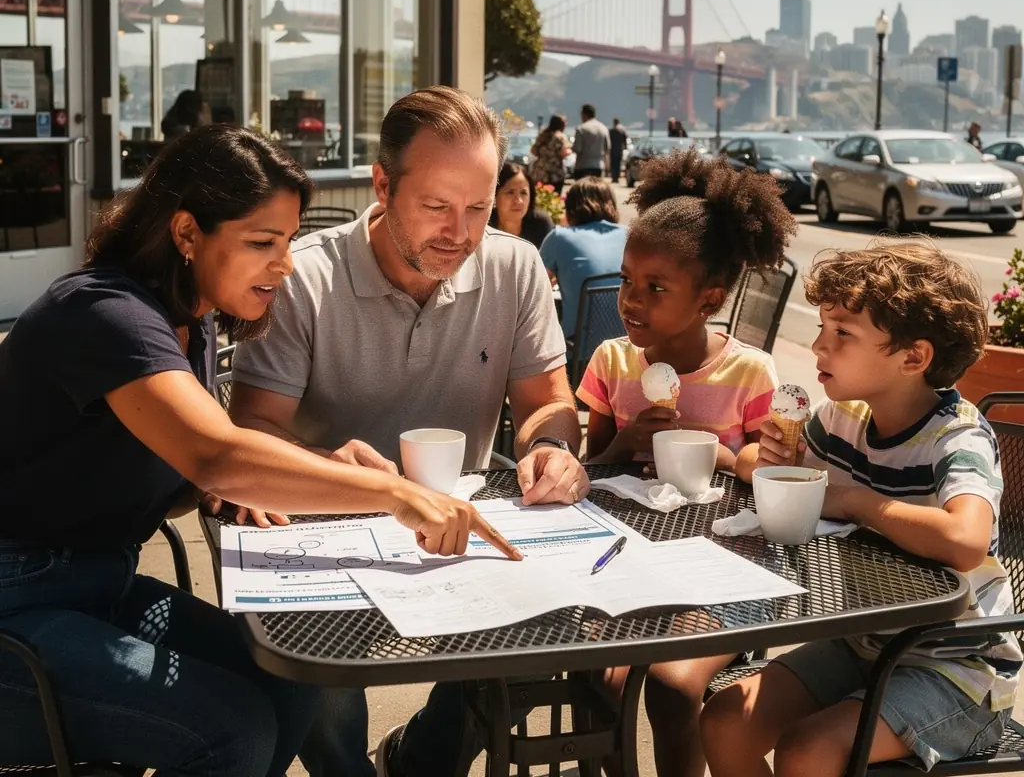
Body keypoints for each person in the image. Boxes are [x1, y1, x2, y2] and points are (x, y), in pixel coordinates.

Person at [0, 126, 518, 776]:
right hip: (18, 604)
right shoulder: (104, 312)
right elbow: (215, 455)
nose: (286, 264)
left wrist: (298, 471)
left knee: (294, 676)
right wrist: (397, 494)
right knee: (231, 731)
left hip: (99, 589)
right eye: (262, 242)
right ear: (187, 233)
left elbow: (195, 474)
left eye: (288, 241)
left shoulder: (185, 323)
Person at [228, 86, 589, 777]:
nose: (461, 232)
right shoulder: (303, 275)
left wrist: (551, 446)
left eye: (478, 208)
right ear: (383, 185)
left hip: (462, 527)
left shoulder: (514, 265)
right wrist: (328, 466)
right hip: (324, 535)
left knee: (548, 634)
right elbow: (252, 428)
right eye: (436, 206)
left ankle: (420, 761)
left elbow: (547, 400)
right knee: (321, 683)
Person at [703, 243, 1021, 777]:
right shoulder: (842, 417)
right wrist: (773, 458)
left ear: (912, 358)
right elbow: (759, 466)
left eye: (842, 333)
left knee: (807, 751)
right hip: (863, 643)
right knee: (725, 721)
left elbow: (965, 541)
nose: (818, 345)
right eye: (822, 328)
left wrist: (854, 501)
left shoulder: (957, 438)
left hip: (957, 670)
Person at [579, 148, 797, 777]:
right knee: (602, 677)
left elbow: (767, 465)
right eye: (627, 280)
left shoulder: (749, 371)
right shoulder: (612, 362)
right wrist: (625, 443)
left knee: (672, 686)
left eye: (656, 288)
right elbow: (591, 465)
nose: (631, 300)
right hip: (628, 560)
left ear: (708, 300)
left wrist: (723, 452)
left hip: (731, 567)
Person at [540, 176, 626, 339]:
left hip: (579, 347)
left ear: (570, 208)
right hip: (628, 346)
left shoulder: (560, 237)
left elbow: (534, 291)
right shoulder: (629, 235)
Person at [489, 160, 554, 250]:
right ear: (494, 196)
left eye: (524, 193)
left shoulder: (540, 224)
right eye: (510, 192)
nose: (519, 201)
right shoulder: (484, 225)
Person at [530, 113, 573, 193]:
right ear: (561, 125)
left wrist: (544, 155)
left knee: (541, 195)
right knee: (554, 196)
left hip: (540, 172)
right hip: (554, 173)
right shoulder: (560, 136)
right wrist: (570, 150)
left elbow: (533, 150)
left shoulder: (543, 135)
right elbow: (563, 153)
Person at [573, 103, 611, 178]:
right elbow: (607, 148)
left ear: (584, 114)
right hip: (598, 166)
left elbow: (578, 148)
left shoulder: (581, 128)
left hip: (583, 166)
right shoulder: (604, 128)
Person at [609, 117, 629, 182]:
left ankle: (614, 177)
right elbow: (625, 140)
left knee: (613, 164)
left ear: (614, 122)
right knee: (618, 164)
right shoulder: (622, 130)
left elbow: (608, 141)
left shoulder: (611, 130)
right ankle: (617, 177)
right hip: (619, 150)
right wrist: (625, 147)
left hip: (612, 150)